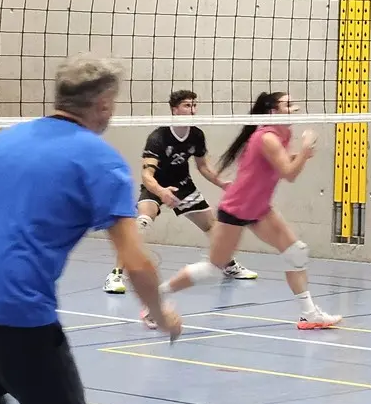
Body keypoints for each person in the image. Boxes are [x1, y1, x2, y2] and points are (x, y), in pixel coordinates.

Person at [0, 54, 181, 404]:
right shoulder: (100, 160)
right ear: (104, 105)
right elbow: (135, 261)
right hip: (16, 314)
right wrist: (160, 314)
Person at [149, 92, 340, 331]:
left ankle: (309, 314)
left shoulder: (282, 133)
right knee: (212, 269)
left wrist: (299, 155)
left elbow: (277, 163)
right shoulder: (267, 137)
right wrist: (305, 150)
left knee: (296, 252)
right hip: (237, 208)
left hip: (259, 207)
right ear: (272, 111)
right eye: (288, 105)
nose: (295, 108)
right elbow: (289, 173)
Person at [105, 89, 257, 294]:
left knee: (213, 226)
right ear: (175, 109)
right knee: (141, 223)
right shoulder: (158, 137)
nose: (192, 110)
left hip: (184, 186)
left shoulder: (196, 134)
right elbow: (146, 176)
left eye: (194, 105)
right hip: (156, 186)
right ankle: (115, 275)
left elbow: (203, 167)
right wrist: (161, 192)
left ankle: (228, 265)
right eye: (187, 105)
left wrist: (221, 183)